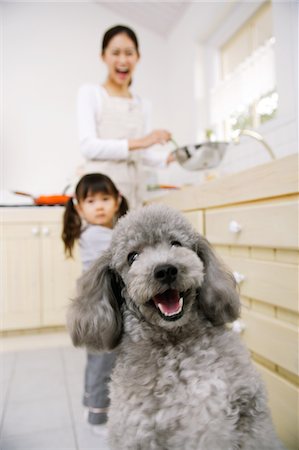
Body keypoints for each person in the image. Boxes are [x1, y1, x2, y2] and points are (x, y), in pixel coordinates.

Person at [77, 24, 174, 208]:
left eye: (129, 53)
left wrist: (172, 157)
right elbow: (88, 147)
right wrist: (143, 141)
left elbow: (141, 154)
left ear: (138, 57)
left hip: (135, 196)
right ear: (103, 56)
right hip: (102, 199)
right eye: (115, 52)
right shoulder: (91, 93)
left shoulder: (143, 104)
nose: (123, 59)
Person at [62, 173, 129, 434]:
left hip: (101, 306)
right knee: (104, 361)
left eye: (105, 198)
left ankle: (92, 403)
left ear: (117, 201)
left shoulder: (98, 231)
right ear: (79, 207)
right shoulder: (97, 234)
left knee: (99, 359)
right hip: (101, 309)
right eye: (91, 201)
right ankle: (98, 417)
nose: (99, 206)